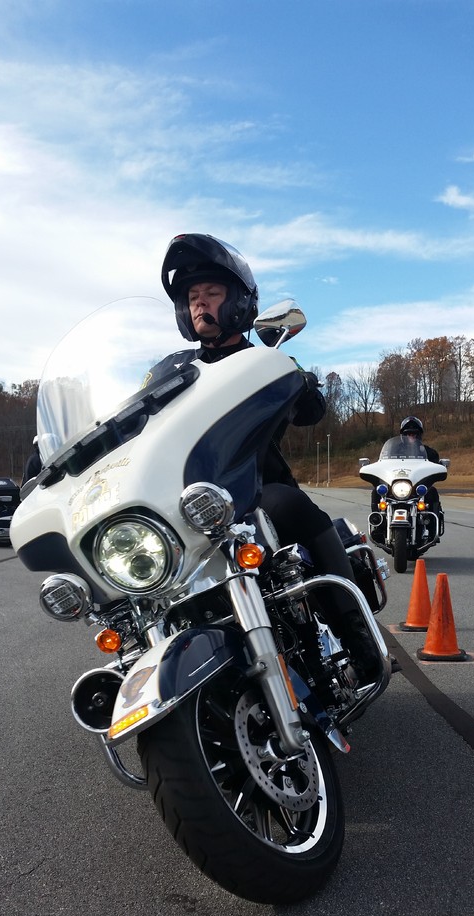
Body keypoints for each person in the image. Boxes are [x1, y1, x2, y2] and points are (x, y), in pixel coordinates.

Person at [159, 232, 379, 679]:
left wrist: (302, 383)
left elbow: (310, 411)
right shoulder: (171, 371)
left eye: (212, 293)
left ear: (239, 301)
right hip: (184, 501)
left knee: (292, 505)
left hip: (254, 488)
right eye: (193, 297)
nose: (201, 304)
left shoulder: (261, 359)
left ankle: (357, 635)